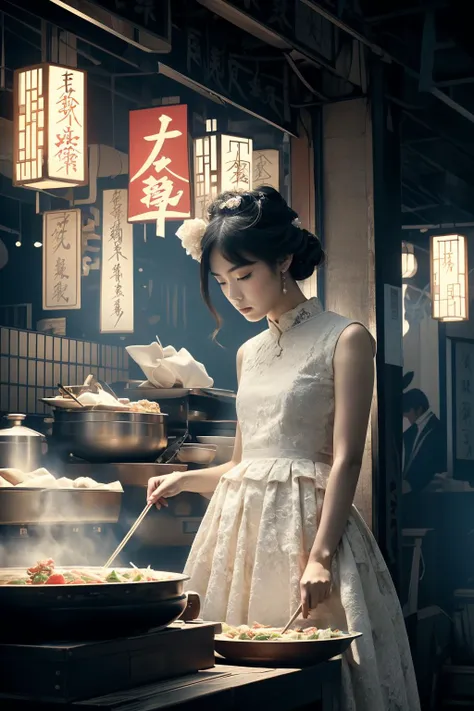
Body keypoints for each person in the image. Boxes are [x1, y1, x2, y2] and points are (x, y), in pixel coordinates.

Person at [147, 187, 420, 711]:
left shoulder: (345, 338)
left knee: (309, 674)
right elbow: (242, 463)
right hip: (238, 531)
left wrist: (319, 558)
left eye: (244, 276)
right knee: (226, 672)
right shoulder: (248, 352)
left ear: (284, 261)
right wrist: (183, 478)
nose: (234, 294)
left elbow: (347, 459)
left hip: (310, 529)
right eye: (224, 282)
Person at [402, 388, 447, 494]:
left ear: (419, 409)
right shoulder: (410, 432)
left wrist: (411, 485)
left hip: (428, 491)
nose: (406, 415)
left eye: (409, 410)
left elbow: (429, 462)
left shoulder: (438, 430)